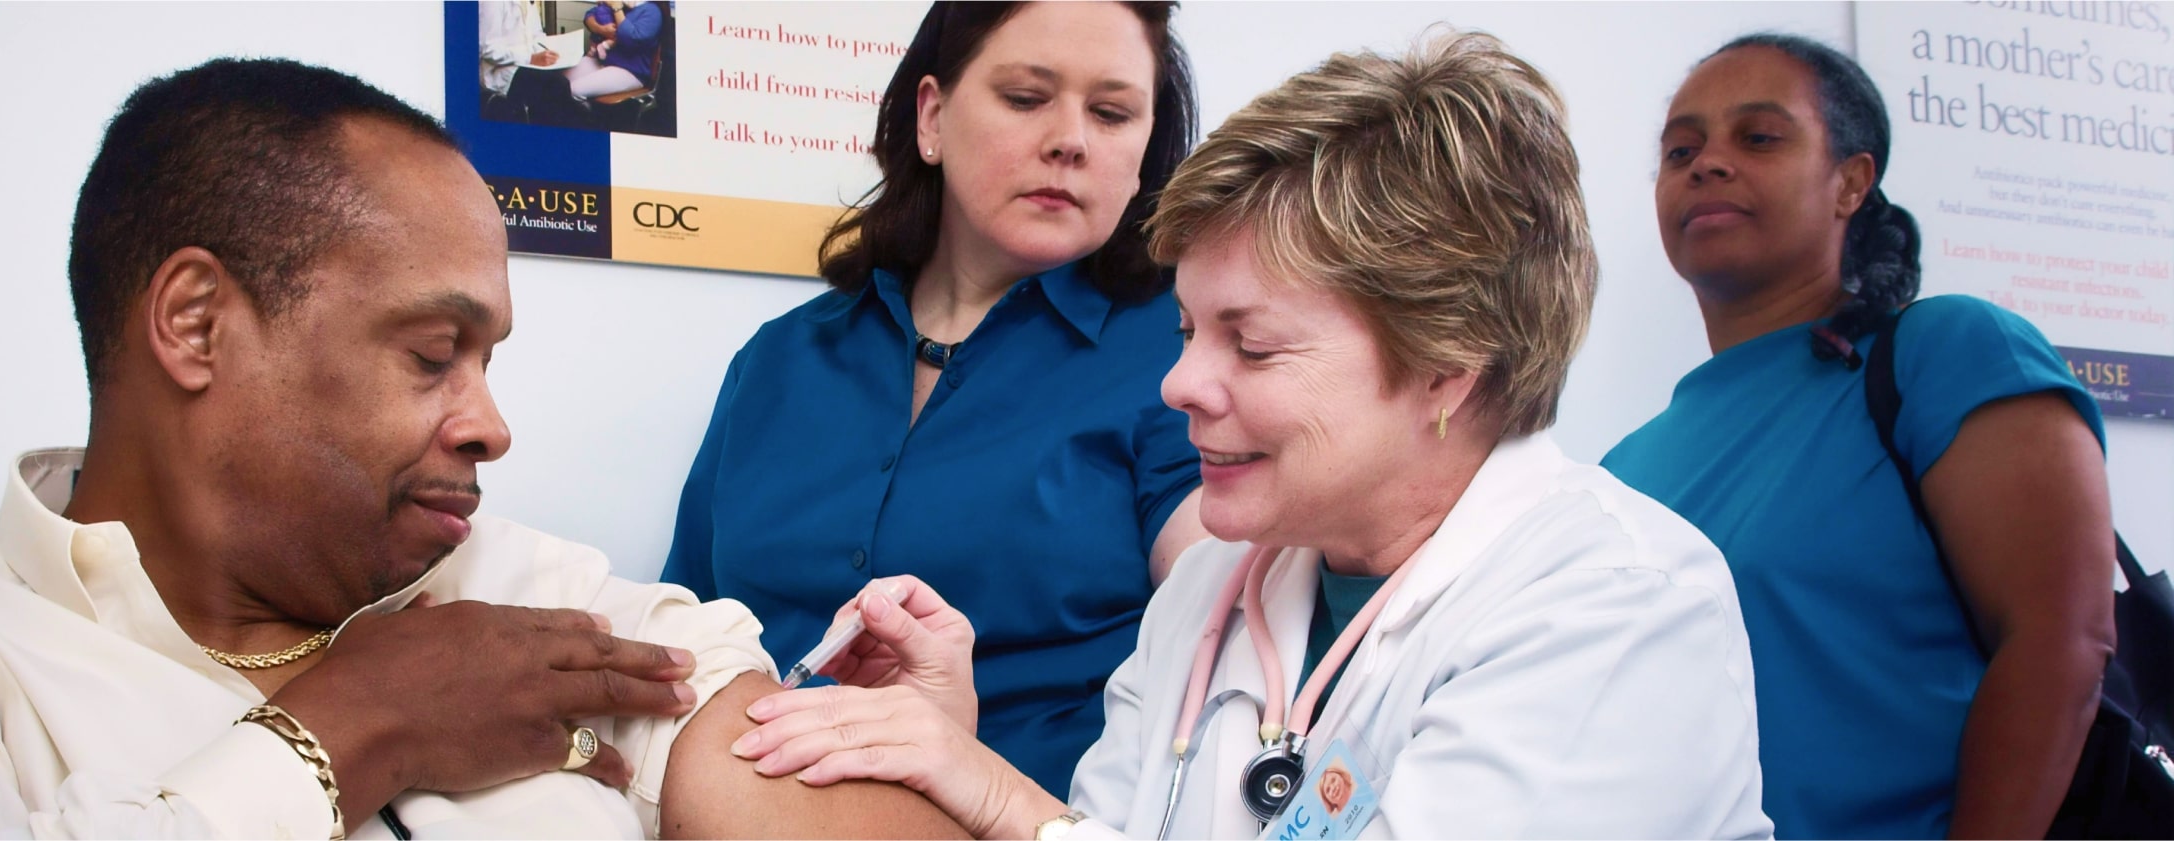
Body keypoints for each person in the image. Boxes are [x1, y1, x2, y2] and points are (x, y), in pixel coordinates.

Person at [0, 57, 964, 840]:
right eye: (434, 353)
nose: (490, 422)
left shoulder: (546, 603)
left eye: (489, 363)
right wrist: (348, 731)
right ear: (195, 323)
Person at [727, 32, 1776, 839]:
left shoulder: (1618, 608)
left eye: (1253, 346)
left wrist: (1003, 801)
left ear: (1448, 368)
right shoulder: (1212, 586)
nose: (1179, 382)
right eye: (1186, 330)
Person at [660, 1, 1207, 797]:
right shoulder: (781, 358)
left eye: (1113, 112)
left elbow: (1228, 614)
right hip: (736, 808)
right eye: (1026, 98)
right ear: (932, 116)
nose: (1071, 139)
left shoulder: (1187, 352)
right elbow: (682, 632)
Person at [1603, 33, 2117, 840]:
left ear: (1851, 181)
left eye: (1759, 137)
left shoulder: (1946, 353)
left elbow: (2062, 643)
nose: (1707, 163)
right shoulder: (1623, 468)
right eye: (1680, 150)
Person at [478, 0, 572, 124]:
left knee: (564, 79)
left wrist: (549, 52)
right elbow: (488, 48)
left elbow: (537, 36)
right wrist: (530, 58)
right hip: (501, 73)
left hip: (527, 64)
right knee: (556, 85)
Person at [568, 1, 664, 101]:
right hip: (604, 61)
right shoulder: (621, 3)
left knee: (573, 90)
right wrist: (600, 29)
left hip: (630, 71)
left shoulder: (652, 11)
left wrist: (617, 8)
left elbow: (630, 39)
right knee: (560, 80)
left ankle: (586, 115)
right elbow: (590, 14)